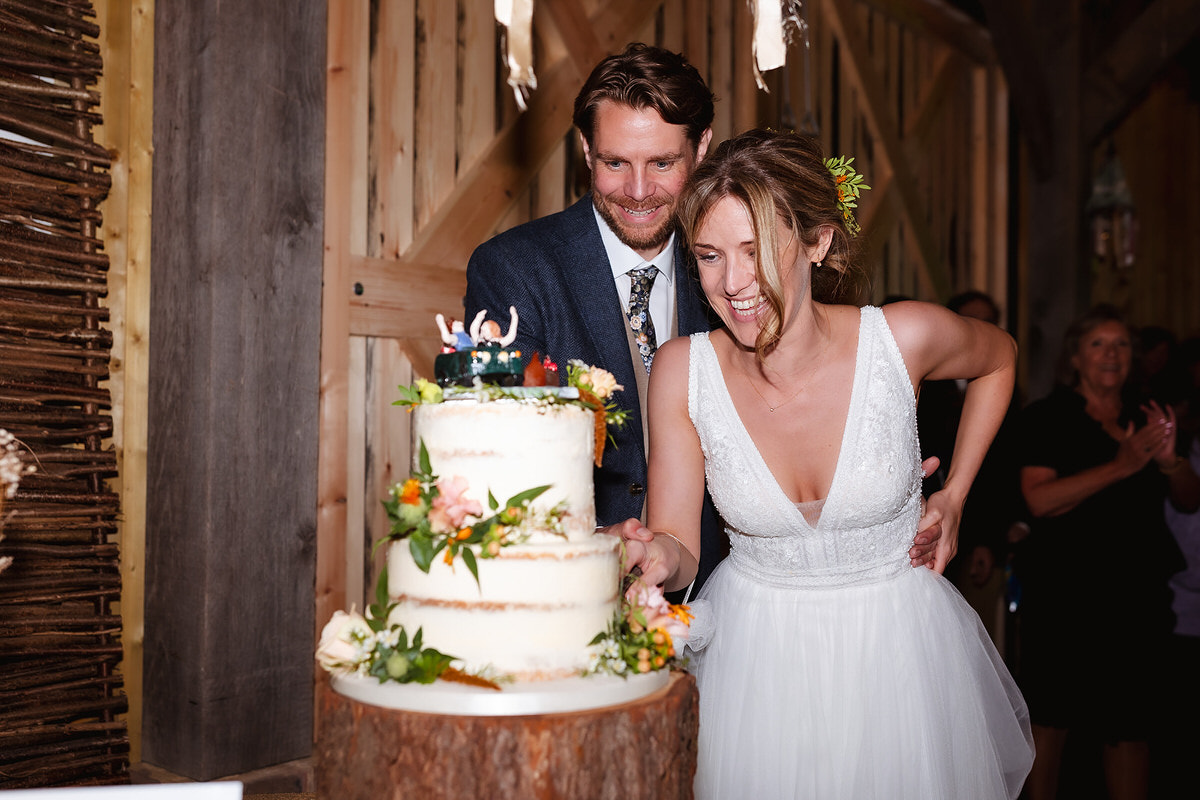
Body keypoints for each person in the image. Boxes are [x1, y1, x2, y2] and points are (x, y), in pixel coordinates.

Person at [623, 129, 1034, 799]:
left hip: (899, 665)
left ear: (816, 243)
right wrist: (657, 559)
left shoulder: (901, 338)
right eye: (709, 256)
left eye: (755, 252)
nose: (732, 283)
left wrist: (956, 494)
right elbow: (677, 541)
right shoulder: (681, 371)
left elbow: (999, 357)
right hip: (756, 674)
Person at [464, 43, 943, 591]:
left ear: (702, 146)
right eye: (615, 162)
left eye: (663, 163)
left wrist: (898, 490)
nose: (638, 191)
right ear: (585, 150)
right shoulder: (514, 270)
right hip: (562, 599)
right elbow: (491, 455)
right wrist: (593, 547)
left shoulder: (737, 272)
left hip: (721, 602)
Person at [1014, 305, 1200, 800]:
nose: (1111, 354)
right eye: (1098, 344)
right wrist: (1121, 466)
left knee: (1131, 728)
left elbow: (1189, 498)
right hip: (1065, 596)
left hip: (1137, 597)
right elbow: (1040, 500)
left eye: (1121, 345)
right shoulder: (1048, 417)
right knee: (1050, 725)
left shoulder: (1147, 415)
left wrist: (1171, 461)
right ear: (1075, 357)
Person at [917, 290, 1026, 647]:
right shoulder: (926, 381)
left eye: (987, 320)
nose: (978, 327)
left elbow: (1002, 468)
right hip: (920, 527)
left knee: (972, 636)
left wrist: (988, 540)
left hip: (977, 521)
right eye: (969, 319)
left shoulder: (1007, 389)